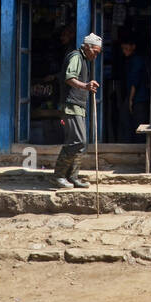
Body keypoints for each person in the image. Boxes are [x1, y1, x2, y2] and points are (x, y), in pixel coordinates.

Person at [54, 33, 101, 189]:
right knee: (77, 140)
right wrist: (85, 86)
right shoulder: (76, 57)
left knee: (79, 144)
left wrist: (88, 85)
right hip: (70, 105)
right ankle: (59, 176)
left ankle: (72, 177)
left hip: (78, 105)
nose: (96, 55)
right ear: (87, 47)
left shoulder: (84, 60)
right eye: (95, 51)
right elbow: (69, 77)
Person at [117, 37, 150, 144]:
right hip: (135, 98)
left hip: (138, 98)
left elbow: (134, 82)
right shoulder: (130, 60)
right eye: (123, 49)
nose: (124, 51)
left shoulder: (137, 61)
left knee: (138, 124)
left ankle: (139, 148)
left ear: (133, 47)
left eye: (127, 48)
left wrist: (130, 100)